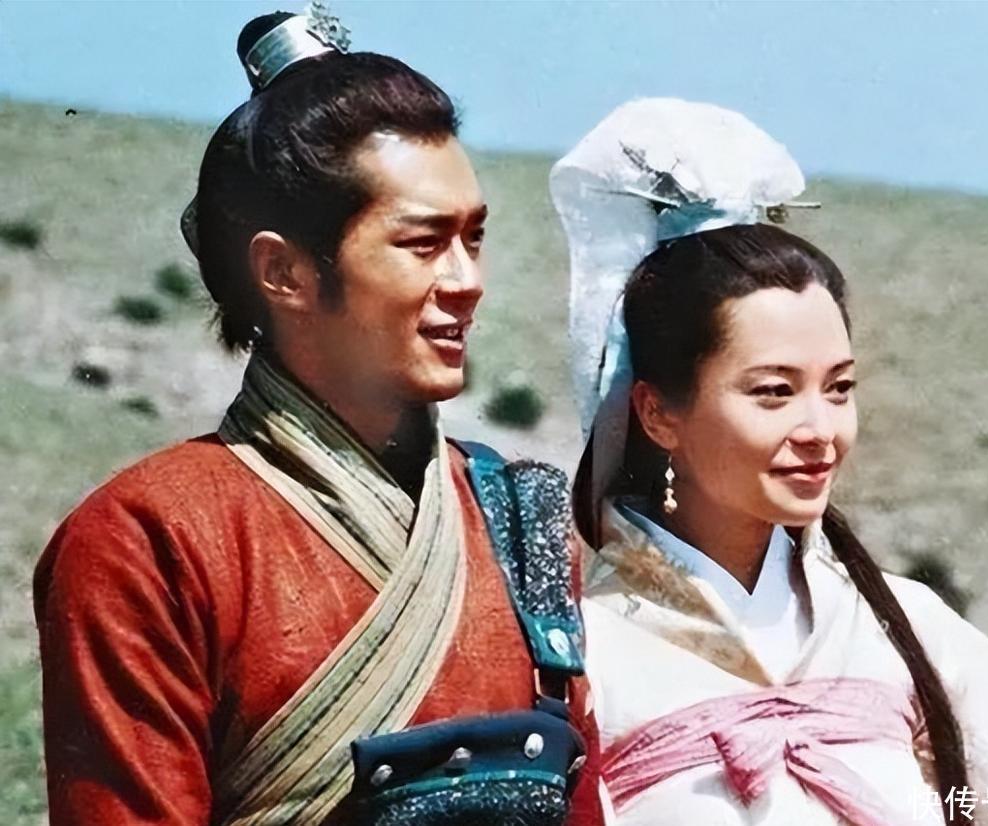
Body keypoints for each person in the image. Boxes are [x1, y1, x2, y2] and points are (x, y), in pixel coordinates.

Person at [34, 11, 600, 826]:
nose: (468, 280)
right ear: (285, 272)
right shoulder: (149, 539)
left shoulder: (521, 518)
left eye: (473, 239)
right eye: (423, 243)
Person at [550, 98, 988, 826]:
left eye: (839, 388)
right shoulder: (581, 656)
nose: (821, 430)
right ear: (658, 412)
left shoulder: (903, 631)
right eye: (774, 392)